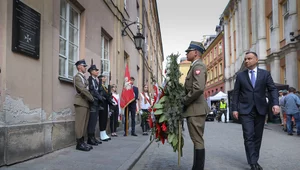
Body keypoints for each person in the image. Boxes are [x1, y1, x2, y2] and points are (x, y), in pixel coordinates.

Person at [232, 51, 279, 170]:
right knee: (248, 136)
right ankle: (253, 162)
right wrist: (234, 109)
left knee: (258, 136)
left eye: (249, 58)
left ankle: (254, 159)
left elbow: (272, 89)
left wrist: (276, 104)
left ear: (256, 60)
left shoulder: (265, 74)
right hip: (245, 111)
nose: (247, 61)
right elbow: (236, 94)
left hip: (260, 109)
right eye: (245, 59)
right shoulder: (240, 76)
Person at [182, 41, 209, 170]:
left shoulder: (198, 66)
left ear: (196, 53)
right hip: (194, 109)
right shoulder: (194, 66)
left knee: (197, 140)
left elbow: (198, 88)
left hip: (195, 109)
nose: (187, 53)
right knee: (196, 139)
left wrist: (184, 100)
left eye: (189, 51)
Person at [73, 59, 94, 151]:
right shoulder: (77, 77)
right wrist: (92, 98)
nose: (85, 67)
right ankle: (79, 143)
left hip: (85, 102)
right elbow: (83, 89)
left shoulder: (83, 77)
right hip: (81, 102)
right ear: (79, 67)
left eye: (85, 66)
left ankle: (82, 142)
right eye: (84, 66)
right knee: (80, 124)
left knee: (84, 124)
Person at [86, 64, 103, 145]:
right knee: (92, 121)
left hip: (96, 103)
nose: (97, 72)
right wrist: (99, 97)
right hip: (93, 102)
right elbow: (92, 91)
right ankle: (90, 138)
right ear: (92, 72)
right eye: (96, 70)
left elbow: (98, 90)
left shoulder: (96, 80)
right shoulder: (90, 80)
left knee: (95, 120)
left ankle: (93, 137)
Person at [98, 74, 112, 141]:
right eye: (104, 77)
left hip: (105, 104)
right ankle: (102, 134)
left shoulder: (104, 86)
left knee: (105, 118)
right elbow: (102, 94)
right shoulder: (100, 86)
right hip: (102, 104)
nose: (105, 78)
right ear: (101, 78)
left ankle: (104, 132)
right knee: (102, 119)